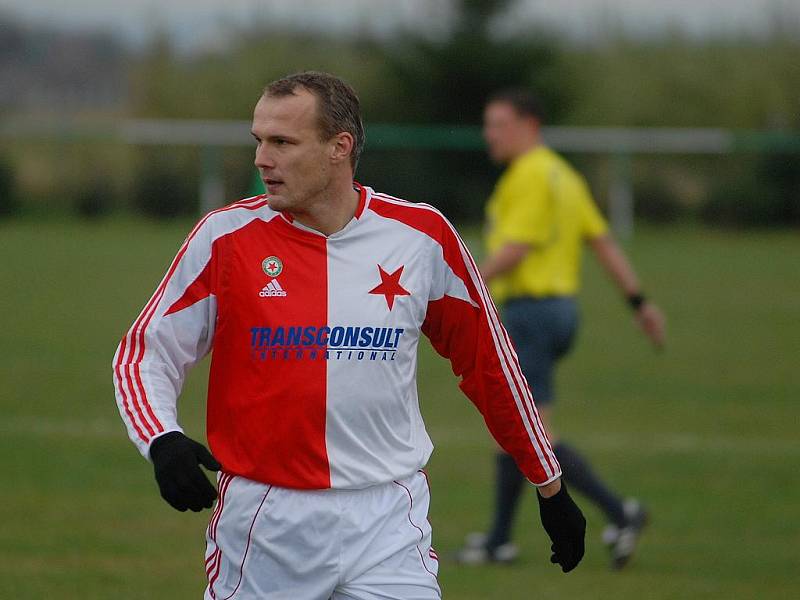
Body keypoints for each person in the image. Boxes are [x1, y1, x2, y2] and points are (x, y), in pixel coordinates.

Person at [112, 72, 586, 599]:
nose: (261, 159)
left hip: (388, 519)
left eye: (282, 142)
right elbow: (144, 354)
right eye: (258, 141)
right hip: (266, 523)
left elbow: (491, 365)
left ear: (340, 147)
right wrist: (162, 438)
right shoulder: (224, 240)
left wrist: (549, 485)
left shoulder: (422, 239)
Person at [455, 89, 666, 570]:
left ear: (529, 124)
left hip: (532, 313)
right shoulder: (563, 174)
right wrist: (639, 301)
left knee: (531, 432)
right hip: (561, 312)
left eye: (498, 123)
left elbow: (516, 250)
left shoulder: (529, 175)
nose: (490, 134)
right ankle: (499, 541)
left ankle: (620, 512)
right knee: (513, 427)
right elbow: (603, 242)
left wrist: (458, 286)